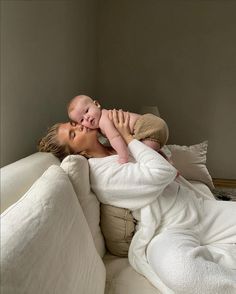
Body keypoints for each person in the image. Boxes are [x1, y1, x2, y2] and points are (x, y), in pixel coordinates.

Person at [38, 110, 236, 294]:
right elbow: (163, 172)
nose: (80, 126)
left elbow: (156, 132)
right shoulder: (103, 174)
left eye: (73, 124)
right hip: (167, 229)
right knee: (182, 273)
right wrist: (129, 138)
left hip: (198, 207)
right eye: (73, 134)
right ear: (79, 153)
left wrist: (123, 131)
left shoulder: (115, 144)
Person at [67, 94, 169, 163]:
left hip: (147, 127)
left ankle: (165, 163)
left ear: (97, 104)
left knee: (141, 155)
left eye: (87, 111)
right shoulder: (100, 124)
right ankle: (168, 164)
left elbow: (115, 137)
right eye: (81, 120)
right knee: (149, 152)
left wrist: (123, 156)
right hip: (154, 126)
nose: (87, 118)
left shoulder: (103, 119)